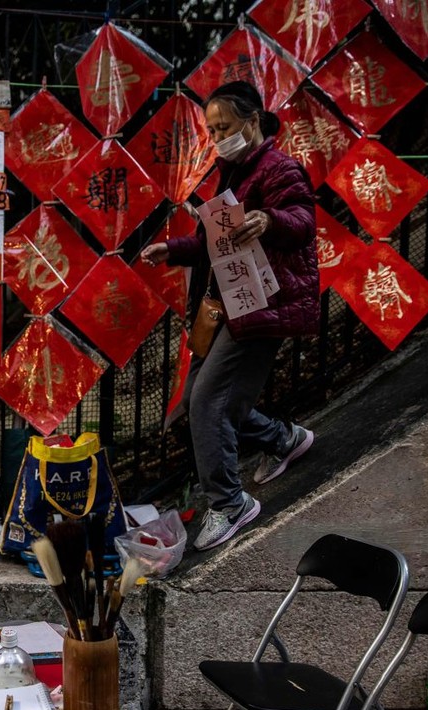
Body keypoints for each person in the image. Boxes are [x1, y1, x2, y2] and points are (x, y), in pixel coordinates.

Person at [141, 81, 319, 551]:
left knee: (208, 404)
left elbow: (302, 218)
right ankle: (283, 439)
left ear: (253, 120)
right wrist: (173, 249)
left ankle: (230, 503)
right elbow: (211, 243)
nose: (218, 136)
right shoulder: (233, 172)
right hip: (227, 306)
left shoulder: (279, 168)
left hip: (262, 305)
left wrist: (270, 220)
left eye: (225, 126)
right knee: (204, 399)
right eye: (212, 129)